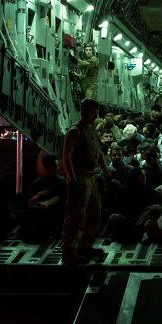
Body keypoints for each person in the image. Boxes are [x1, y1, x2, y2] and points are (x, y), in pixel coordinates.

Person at [61, 98, 112, 266]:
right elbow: (66, 158)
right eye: (94, 111)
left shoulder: (91, 130)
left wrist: (107, 174)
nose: (96, 114)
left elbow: (98, 154)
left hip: (92, 177)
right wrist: (73, 180)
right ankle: (69, 252)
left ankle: (85, 245)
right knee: (76, 216)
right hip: (80, 178)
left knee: (94, 213)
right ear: (85, 112)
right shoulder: (75, 131)